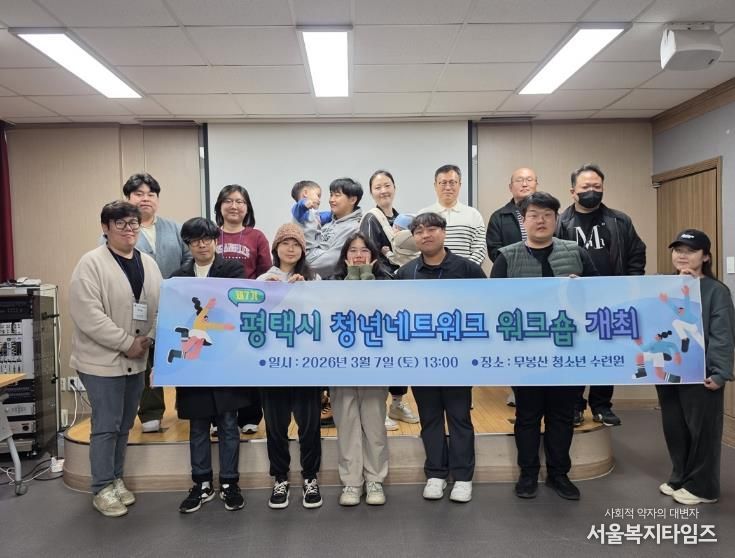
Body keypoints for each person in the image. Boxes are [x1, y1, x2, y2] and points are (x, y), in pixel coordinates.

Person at [491, 192, 598, 502]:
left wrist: (581, 289)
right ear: (523, 221)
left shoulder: (575, 253)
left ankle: (559, 474)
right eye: (534, 215)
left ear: (556, 219)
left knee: (562, 415)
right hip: (525, 353)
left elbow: (598, 296)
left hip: (567, 350)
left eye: (547, 215)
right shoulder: (507, 257)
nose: (541, 220)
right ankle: (527, 473)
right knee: (527, 415)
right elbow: (493, 304)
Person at [69, 201, 162, 517]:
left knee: (124, 424)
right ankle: (101, 488)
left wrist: (148, 339)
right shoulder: (91, 263)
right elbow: (88, 314)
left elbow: (160, 307)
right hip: (101, 361)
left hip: (137, 357)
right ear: (105, 227)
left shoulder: (149, 263)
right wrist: (125, 342)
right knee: (106, 425)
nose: (129, 229)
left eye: (133, 223)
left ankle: (115, 478)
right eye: (120, 223)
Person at [395, 212, 486, 503]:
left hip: (459, 361)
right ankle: (435, 474)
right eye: (419, 231)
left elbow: (487, 308)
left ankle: (462, 477)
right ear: (414, 237)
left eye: (432, 229)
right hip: (421, 361)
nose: (426, 235)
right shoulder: (405, 273)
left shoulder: (468, 269)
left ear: (443, 232)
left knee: (460, 418)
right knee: (430, 418)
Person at [556, 163, 646, 428]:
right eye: (586, 187)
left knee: (606, 352)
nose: (592, 191)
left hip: (611, 299)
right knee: (574, 352)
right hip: (573, 301)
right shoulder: (560, 222)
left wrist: (631, 284)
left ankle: (602, 405)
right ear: (573, 191)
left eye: (597, 186)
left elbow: (636, 253)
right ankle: (574, 405)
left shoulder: (619, 221)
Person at [170, 217, 248, 513]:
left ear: (216, 240)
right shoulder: (178, 277)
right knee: (198, 424)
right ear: (188, 244)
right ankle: (201, 482)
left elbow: (236, 311)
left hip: (225, 358)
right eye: (195, 240)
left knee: (228, 423)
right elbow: (173, 320)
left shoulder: (232, 270)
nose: (201, 245)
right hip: (193, 361)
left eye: (206, 239)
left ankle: (229, 483)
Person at [656, 229, 734, 505]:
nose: (682, 255)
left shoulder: (716, 291)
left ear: (706, 257)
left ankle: (703, 487)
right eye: (678, 250)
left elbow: (723, 334)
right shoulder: (663, 287)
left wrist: (720, 372)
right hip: (670, 370)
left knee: (703, 430)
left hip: (702, 373)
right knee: (675, 427)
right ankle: (681, 476)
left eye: (690, 251)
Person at [257, 224, 323, 510]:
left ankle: (310, 477)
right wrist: (269, 294)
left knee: (309, 425)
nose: (290, 248)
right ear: (276, 248)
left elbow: (320, 318)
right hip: (273, 365)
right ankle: (280, 477)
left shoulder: (313, 278)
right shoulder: (263, 279)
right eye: (285, 243)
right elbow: (254, 320)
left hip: (305, 364)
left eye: (296, 244)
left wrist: (304, 291)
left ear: (303, 250)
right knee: (275, 425)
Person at [122, 172, 190, 434]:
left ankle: (187, 407)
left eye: (151, 194)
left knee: (182, 352)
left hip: (175, 303)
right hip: (139, 305)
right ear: (128, 198)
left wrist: (175, 284)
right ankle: (151, 412)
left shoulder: (174, 228)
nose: (145, 199)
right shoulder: (120, 231)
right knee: (146, 356)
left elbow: (189, 258)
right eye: (138, 194)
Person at [330, 232, 392, 506]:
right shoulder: (330, 284)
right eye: (353, 250)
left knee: (374, 425)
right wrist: (351, 281)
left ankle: (375, 479)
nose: (358, 255)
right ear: (344, 256)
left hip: (374, 365)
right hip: (341, 366)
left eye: (364, 250)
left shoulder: (386, 282)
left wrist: (366, 279)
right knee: (347, 426)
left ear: (373, 255)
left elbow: (384, 315)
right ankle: (352, 483)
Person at [359, 169, 420, 430]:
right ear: (371, 192)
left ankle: (397, 402)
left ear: (394, 187)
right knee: (382, 348)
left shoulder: (403, 219)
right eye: (378, 187)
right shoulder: (371, 219)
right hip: (382, 290)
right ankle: (379, 407)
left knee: (401, 347)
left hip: (405, 289)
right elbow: (370, 255)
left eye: (387, 185)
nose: (383, 190)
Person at [214, 184, 272, 435]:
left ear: (247, 208)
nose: (234, 206)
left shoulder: (256, 236)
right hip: (216, 311)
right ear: (219, 206)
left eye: (240, 201)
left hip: (249, 310)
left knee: (248, 363)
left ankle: (250, 416)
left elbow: (266, 273)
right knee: (219, 364)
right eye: (228, 201)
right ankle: (218, 417)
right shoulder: (210, 235)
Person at [486, 167, 539, 407]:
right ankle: (518, 388)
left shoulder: (548, 214)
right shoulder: (500, 216)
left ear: (536, 184)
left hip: (543, 287)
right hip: (512, 286)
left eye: (529, 180)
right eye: (519, 180)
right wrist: (521, 262)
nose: (524, 184)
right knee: (515, 339)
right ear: (511, 187)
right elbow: (493, 250)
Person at [417, 164, 486, 266]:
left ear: (459, 185)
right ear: (435, 185)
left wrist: (464, 269)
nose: (448, 187)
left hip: (464, 273)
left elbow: (479, 250)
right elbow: (417, 249)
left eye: (452, 183)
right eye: (443, 183)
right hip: (431, 273)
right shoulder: (423, 215)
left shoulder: (473, 215)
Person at [305, 177, 363, 278]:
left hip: (331, 283)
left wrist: (301, 267)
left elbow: (332, 262)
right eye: (331, 195)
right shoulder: (325, 223)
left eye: (337, 195)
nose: (331, 200)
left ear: (353, 200)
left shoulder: (355, 228)